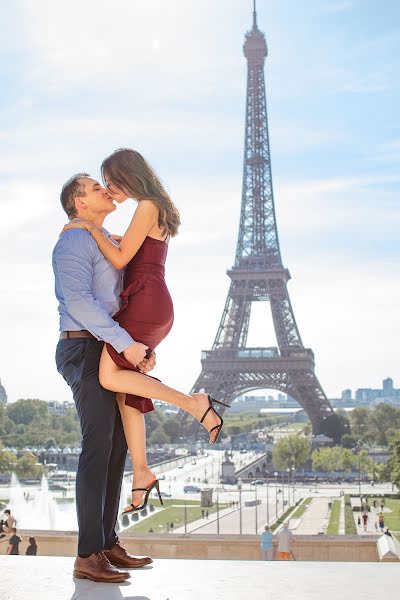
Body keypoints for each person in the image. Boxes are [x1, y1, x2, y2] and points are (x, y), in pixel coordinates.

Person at [61, 149, 230, 516]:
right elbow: (128, 249)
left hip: (145, 301)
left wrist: (88, 227)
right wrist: (102, 232)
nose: (109, 190)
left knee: (108, 375)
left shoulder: (147, 206)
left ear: (127, 176)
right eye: (102, 186)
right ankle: (141, 472)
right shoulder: (154, 208)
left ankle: (193, 403)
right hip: (151, 302)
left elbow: (121, 259)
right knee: (124, 387)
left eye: (110, 182)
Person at [54, 172, 155, 583]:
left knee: (114, 448)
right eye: (97, 188)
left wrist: (135, 343)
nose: (105, 190)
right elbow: (79, 301)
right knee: (97, 445)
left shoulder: (103, 239)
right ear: (79, 203)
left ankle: (107, 541)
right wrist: (127, 343)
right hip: (84, 347)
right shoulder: (74, 240)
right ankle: (87, 554)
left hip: (106, 344)